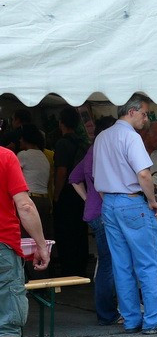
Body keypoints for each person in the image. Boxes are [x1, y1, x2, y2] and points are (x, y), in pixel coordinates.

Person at [93, 95, 157, 335]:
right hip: (131, 201)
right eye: (144, 113)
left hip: (109, 203)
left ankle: (131, 319)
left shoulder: (102, 137)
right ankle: (153, 319)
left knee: (121, 265)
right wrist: (152, 201)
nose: (146, 118)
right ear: (131, 112)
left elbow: (96, 177)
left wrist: (110, 200)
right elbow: (144, 174)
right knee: (148, 263)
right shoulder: (130, 136)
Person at [0, 147, 50, 337]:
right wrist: (41, 244)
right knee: (7, 323)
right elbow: (25, 205)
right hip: (2, 249)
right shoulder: (5, 157)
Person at [69, 116, 120, 326]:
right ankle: (107, 313)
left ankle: (108, 310)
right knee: (110, 264)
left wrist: (87, 199)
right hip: (105, 214)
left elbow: (74, 178)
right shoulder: (103, 151)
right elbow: (102, 185)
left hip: (94, 213)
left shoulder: (92, 150)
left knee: (105, 263)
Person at [53, 107, 89, 277]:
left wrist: (56, 194)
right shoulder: (82, 142)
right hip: (82, 192)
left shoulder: (62, 143)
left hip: (67, 192)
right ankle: (81, 266)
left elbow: (61, 171)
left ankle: (69, 268)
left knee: (66, 231)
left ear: (61, 123)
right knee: (80, 230)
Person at [17, 125, 54, 278]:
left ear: (25, 140)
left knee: (28, 241)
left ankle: (32, 277)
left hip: (30, 200)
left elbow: (13, 177)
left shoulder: (23, 155)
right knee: (42, 239)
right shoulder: (43, 156)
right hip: (45, 201)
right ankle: (44, 275)